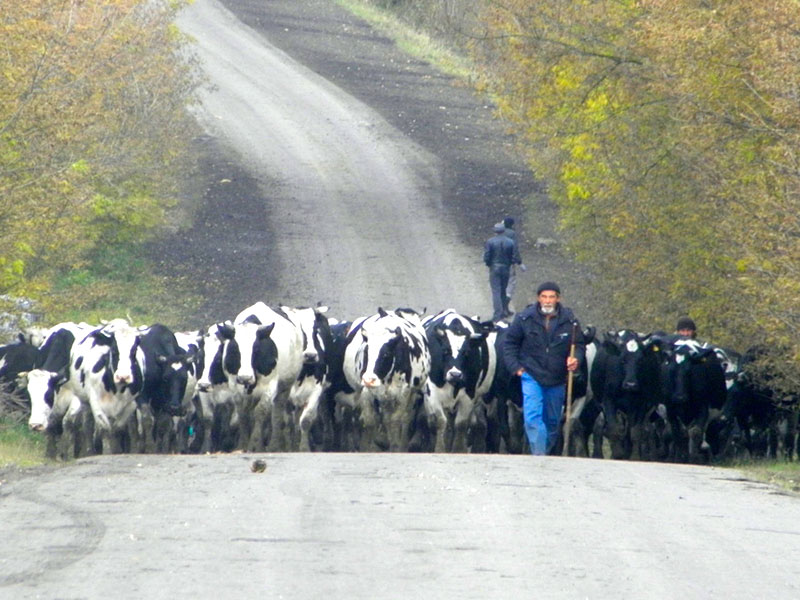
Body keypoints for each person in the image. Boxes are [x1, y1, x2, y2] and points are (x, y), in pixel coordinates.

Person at [503, 281, 585, 455]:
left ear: (558, 299)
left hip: (557, 378)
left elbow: (578, 345)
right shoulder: (524, 319)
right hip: (531, 375)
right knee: (532, 419)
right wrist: (516, 368)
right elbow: (510, 344)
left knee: (553, 422)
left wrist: (575, 359)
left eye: (552, 297)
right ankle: (539, 455)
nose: (548, 301)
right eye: (544, 297)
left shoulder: (570, 322)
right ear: (538, 298)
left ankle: (545, 453)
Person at [483, 222, 516, 322]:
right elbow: (513, 256)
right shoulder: (510, 242)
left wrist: (489, 264)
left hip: (494, 268)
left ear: (495, 231)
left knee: (496, 291)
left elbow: (487, 256)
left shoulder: (490, 242)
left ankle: (497, 315)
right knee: (503, 291)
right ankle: (503, 312)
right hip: (506, 268)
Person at [502, 217, 526, 309]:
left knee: (501, 284)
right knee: (511, 282)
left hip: (497, 263)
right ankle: (506, 300)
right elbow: (514, 249)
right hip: (508, 263)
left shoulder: (499, 233)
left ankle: (501, 306)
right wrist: (519, 262)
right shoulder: (512, 234)